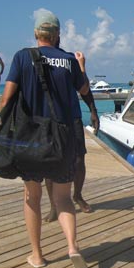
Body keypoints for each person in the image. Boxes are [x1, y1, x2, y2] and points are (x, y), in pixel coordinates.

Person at [1, 9, 90, 268]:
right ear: (57, 34)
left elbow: (6, 100)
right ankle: (73, 247)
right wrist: (81, 67)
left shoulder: (22, 57)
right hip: (62, 138)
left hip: (31, 138)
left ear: (36, 34)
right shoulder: (67, 60)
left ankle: (37, 255)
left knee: (32, 196)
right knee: (63, 198)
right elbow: (84, 91)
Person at [44, 48, 99, 222]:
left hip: (73, 118)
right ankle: (54, 205)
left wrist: (93, 110)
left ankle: (78, 195)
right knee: (50, 163)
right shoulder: (38, 59)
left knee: (78, 160)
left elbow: (83, 89)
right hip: (49, 120)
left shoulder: (69, 60)